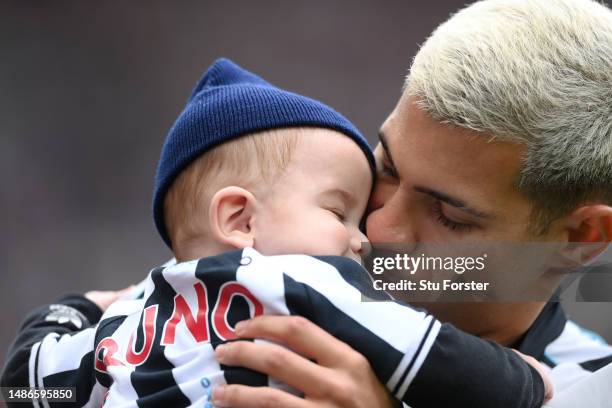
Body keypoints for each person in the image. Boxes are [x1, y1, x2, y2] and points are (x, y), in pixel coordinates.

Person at [0, 59, 551, 408]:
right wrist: (527, 383)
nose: (362, 239)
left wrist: (73, 309)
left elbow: (22, 388)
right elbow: (433, 356)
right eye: (339, 213)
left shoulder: (131, 314)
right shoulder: (307, 283)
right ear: (240, 220)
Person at [198, 0, 612, 407]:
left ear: (579, 238)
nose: (378, 231)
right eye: (388, 168)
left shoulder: (588, 392)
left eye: (449, 216)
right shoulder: (219, 291)